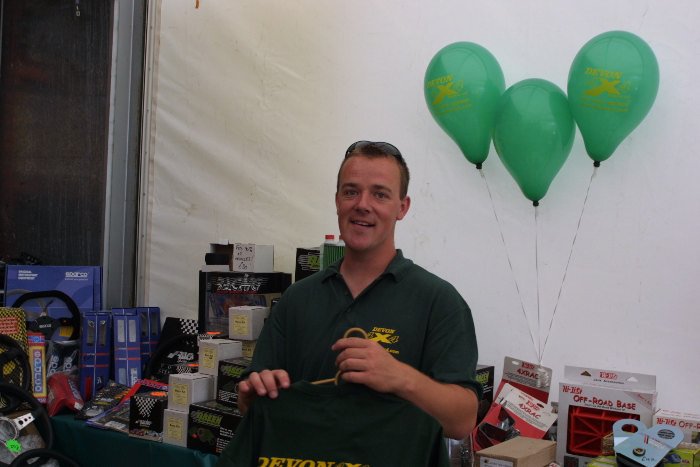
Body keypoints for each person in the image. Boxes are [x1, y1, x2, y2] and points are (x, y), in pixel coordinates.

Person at [236, 140, 481, 440]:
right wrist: (254, 393)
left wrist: (400, 377)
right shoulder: (297, 298)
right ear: (337, 200)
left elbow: (462, 422)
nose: (362, 204)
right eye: (351, 191)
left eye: (380, 194)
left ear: (402, 207)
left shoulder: (440, 302)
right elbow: (249, 402)